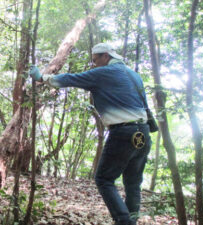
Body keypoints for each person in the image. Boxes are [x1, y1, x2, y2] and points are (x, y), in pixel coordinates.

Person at [30, 43, 152, 225]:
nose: (94, 65)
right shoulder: (134, 75)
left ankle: (124, 222)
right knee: (133, 183)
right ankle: (131, 220)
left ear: (106, 56)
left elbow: (71, 79)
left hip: (123, 133)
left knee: (104, 179)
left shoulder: (104, 73)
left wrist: (42, 77)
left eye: (95, 61)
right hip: (143, 133)